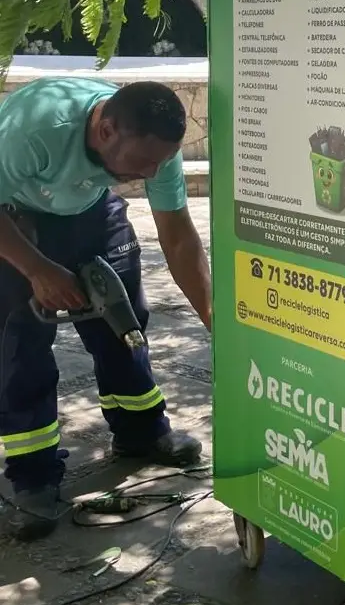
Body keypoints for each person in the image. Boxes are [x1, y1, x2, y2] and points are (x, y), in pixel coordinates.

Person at [0, 78, 212, 540]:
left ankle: (141, 431)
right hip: (19, 218)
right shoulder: (34, 130)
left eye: (160, 162)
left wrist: (213, 316)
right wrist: (37, 269)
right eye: (141, 163)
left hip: (94, 212)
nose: (152, 174)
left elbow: (176, 235)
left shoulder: (156, 149)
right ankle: (32, 478)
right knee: (22, 347)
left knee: (123, 323)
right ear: (106, 130)